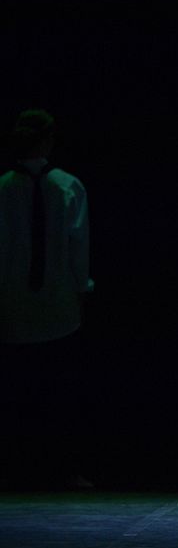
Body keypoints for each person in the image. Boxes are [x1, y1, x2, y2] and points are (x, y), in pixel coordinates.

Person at [0, 109, 94, 488]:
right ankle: (60, 469)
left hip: (16, 307)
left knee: (22, 394)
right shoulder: (67, 186)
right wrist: (81, 289)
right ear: (49, 141)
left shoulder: (5, 189)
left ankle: (26, 468)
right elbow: (78, 247)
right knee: (58, 395)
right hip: (55, 306)